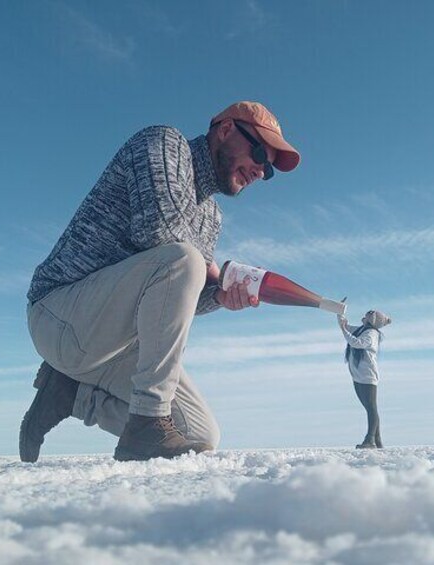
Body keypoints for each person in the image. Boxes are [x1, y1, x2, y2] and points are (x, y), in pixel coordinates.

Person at [19, 101, 300, 462]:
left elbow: (171, 295)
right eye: (260, 152)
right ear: (226, 130)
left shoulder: (210, 218)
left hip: (111, 346)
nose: (261, 171)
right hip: (58, 318)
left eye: (270, 170)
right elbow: (158, 230)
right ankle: (147, 423)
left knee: (200, 436)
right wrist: (212, 271)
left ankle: (70, 394)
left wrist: (219, 296)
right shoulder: (165, 143)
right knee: (185, 258)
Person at [338, 309, 392, 449]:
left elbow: (356, 343)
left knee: (371, 407)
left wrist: (344, 330)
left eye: (370, 314)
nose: (366, 314)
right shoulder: (362, 329)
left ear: (373, 320)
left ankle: (370, 440)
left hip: (367, 375)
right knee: (369, 407)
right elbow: (346, 326)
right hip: (358, 375)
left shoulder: (371, 333)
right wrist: (340, 312)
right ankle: (377, 440)